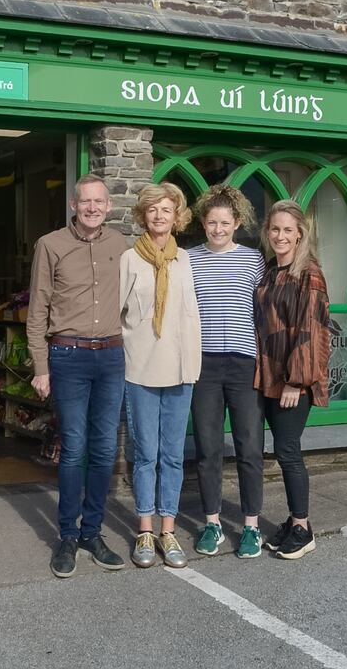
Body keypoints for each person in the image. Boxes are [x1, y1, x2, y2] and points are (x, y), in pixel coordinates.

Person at [28, 174, 127, 579]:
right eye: (85, 202)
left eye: (98, 202)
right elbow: (37, 309)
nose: (92, 208)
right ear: (73, 205)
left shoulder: (122, 244)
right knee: (74, 449)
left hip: (112, 356)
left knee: (104, 450)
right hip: (67, 356)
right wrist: (40, 366)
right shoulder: (50, 245)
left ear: (108, 206)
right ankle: (66, 536)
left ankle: (92, 533)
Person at [120, 182, 201, 569]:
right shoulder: (129, 260)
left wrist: (194, 365)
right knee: (145, 455)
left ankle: (168, 529)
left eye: (166, 210)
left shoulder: (185, 260)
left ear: (177, 216)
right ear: (142, 215)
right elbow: (117, 317)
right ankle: (144, 530)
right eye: (152, 209)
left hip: (181, 371)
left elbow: (193, 318)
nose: (158, 216)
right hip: (140, 370)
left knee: (172, 456)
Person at [188, 185, 266, 559]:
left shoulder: (253, 260)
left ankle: (251, 526)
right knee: (208, 448)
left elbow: (264, 316)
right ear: (203, 222)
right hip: (204, 364)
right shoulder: (187, 260)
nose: (217, 228)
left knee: (250, 447)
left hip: (243, 363)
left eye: (224, 222)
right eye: (211, 222)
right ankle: (213, 523)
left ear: (237, 223)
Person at [255, 200, 331, 561]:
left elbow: (311, 332)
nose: (280, 236)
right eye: (275, 229)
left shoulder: (308, 274)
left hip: (292, 381)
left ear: (300, 234)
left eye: (288, 230)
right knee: (282, 450)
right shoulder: (270, 270)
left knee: (288, 450)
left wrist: (295, 382)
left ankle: (303, 526)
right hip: (269, 375)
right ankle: (293, 519)